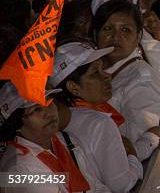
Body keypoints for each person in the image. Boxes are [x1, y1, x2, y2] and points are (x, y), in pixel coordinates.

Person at [49, 41, 143, 192]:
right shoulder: (99, 123)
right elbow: (121, 185)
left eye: (102, 69)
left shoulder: (70, 120)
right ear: (74, 87)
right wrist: (133, 155)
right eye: (95, 73)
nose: (106, 76)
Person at [92, 0, 160, 161]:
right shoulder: (89, 69)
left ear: (138, 36)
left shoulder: (142, 81)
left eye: (125, 30)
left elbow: (135, 141)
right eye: (107, 28)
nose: (115, 36)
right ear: (95, 34)